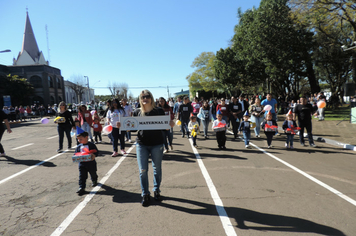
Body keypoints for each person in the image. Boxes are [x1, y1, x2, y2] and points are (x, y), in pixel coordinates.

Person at [118, 90, 174, 206]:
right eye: (142, 97)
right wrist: (124, 126)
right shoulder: (137, 112)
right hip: (141, 144)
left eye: (147, 96)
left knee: (156, 169)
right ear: (140, 98)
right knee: (142, 170)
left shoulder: (158, 111)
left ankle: (156, 190)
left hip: (157, 143)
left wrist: (170, 125)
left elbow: (165, 128)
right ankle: (145, 193)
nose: (145, 98)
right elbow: (133, 128)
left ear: (151, 98)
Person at [75, 127, 99, 196]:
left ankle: (94, 180)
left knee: (93, 173)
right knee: (82, 176)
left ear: (86, 137)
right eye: (78, 139)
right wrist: (76, 157)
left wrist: (94, 155)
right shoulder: (79, 146)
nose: (79, 140)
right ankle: (81, 187)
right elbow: (75, 153)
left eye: (80, 139)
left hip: (91, 163)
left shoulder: (91, 145)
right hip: (82, 164)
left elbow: (97, 152)